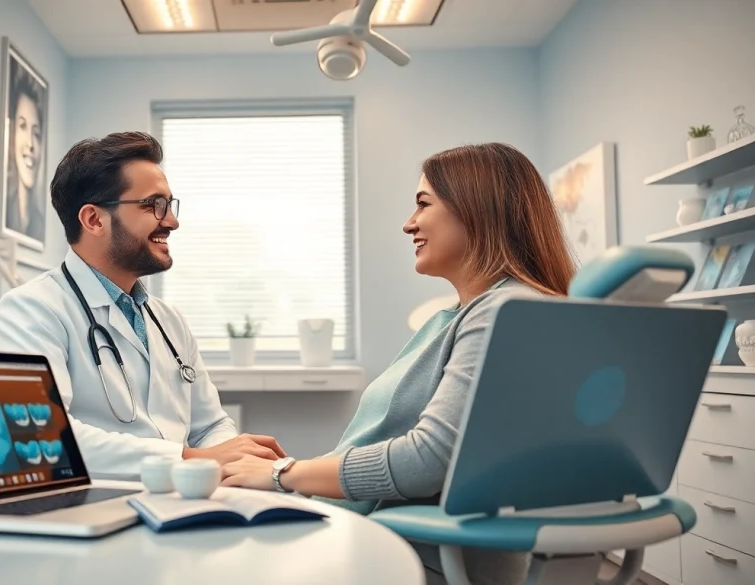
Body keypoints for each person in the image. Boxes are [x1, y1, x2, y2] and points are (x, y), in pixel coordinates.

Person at [220, 143, 575, 584]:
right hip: (384, 541)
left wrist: (282, 473)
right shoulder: (471, 315)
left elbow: (425, 459)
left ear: (477, 209)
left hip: (411, 559)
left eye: (423, 204)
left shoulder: (504, 311)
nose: (409, 223)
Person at [0, 131, 286, 478]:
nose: (172, 221)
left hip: (183, 497)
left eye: (170, 205)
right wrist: (188, 458)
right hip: (98, 503)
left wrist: (233, 462)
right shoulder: (31, 310)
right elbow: (37, 436)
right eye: (153, 205)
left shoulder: (168, 320)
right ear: (94, 220)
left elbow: (210, 425)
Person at [4, 64, 47, 244]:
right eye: (22, 126)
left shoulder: (40, 222)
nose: (30, 144)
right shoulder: (6, 208)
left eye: (36, 133)